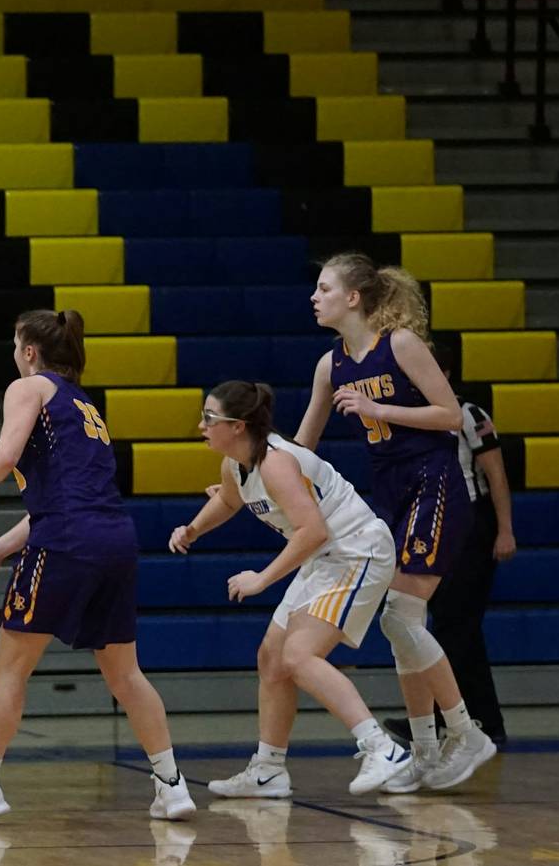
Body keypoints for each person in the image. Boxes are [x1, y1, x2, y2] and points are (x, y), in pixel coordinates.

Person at [0, 309, 196, 823]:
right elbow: (68, 497)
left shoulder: (28, 387)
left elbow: (6, 455)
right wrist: (1, 547)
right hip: (114, 539)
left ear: (29, 351)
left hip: (65, 541)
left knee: (11, 669)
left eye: (16, 344)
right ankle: (172, 786)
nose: (14, 354)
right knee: (126, 674)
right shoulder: (82, 402)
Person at [295, 253, 497, 792]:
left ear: (353, 297)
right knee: (401, 621)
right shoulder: (330, 365)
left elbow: (451, 416)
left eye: (324, 288)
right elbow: (302, 447)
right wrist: (249, 477)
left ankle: (465, 732)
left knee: (399, 618)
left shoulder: (401, 345)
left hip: (434, 483)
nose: (314, 297)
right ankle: (425, 752)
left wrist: (379, 410)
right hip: (389, 494)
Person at [173, 381, 414, 798]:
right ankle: (268, 770)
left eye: (210, 418)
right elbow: (228, 501)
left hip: (356, 550)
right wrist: (192, 529)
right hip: (323, 557)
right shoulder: (235, 464)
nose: (201, 426)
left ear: (238, 425)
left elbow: (313, 530)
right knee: (272, 658)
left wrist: (261, 579)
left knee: (299, 656)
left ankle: (382, 749)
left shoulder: (276, 463)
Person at [387, 354, 516, 748]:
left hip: (471, 522)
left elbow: (496, 474)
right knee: (456, 626)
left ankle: (437, 717)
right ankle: (482, 721)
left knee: (452, 626)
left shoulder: (469, 414)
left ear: (443, 373)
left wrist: (504, 530)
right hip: (434, 522)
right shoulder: (411, 415)